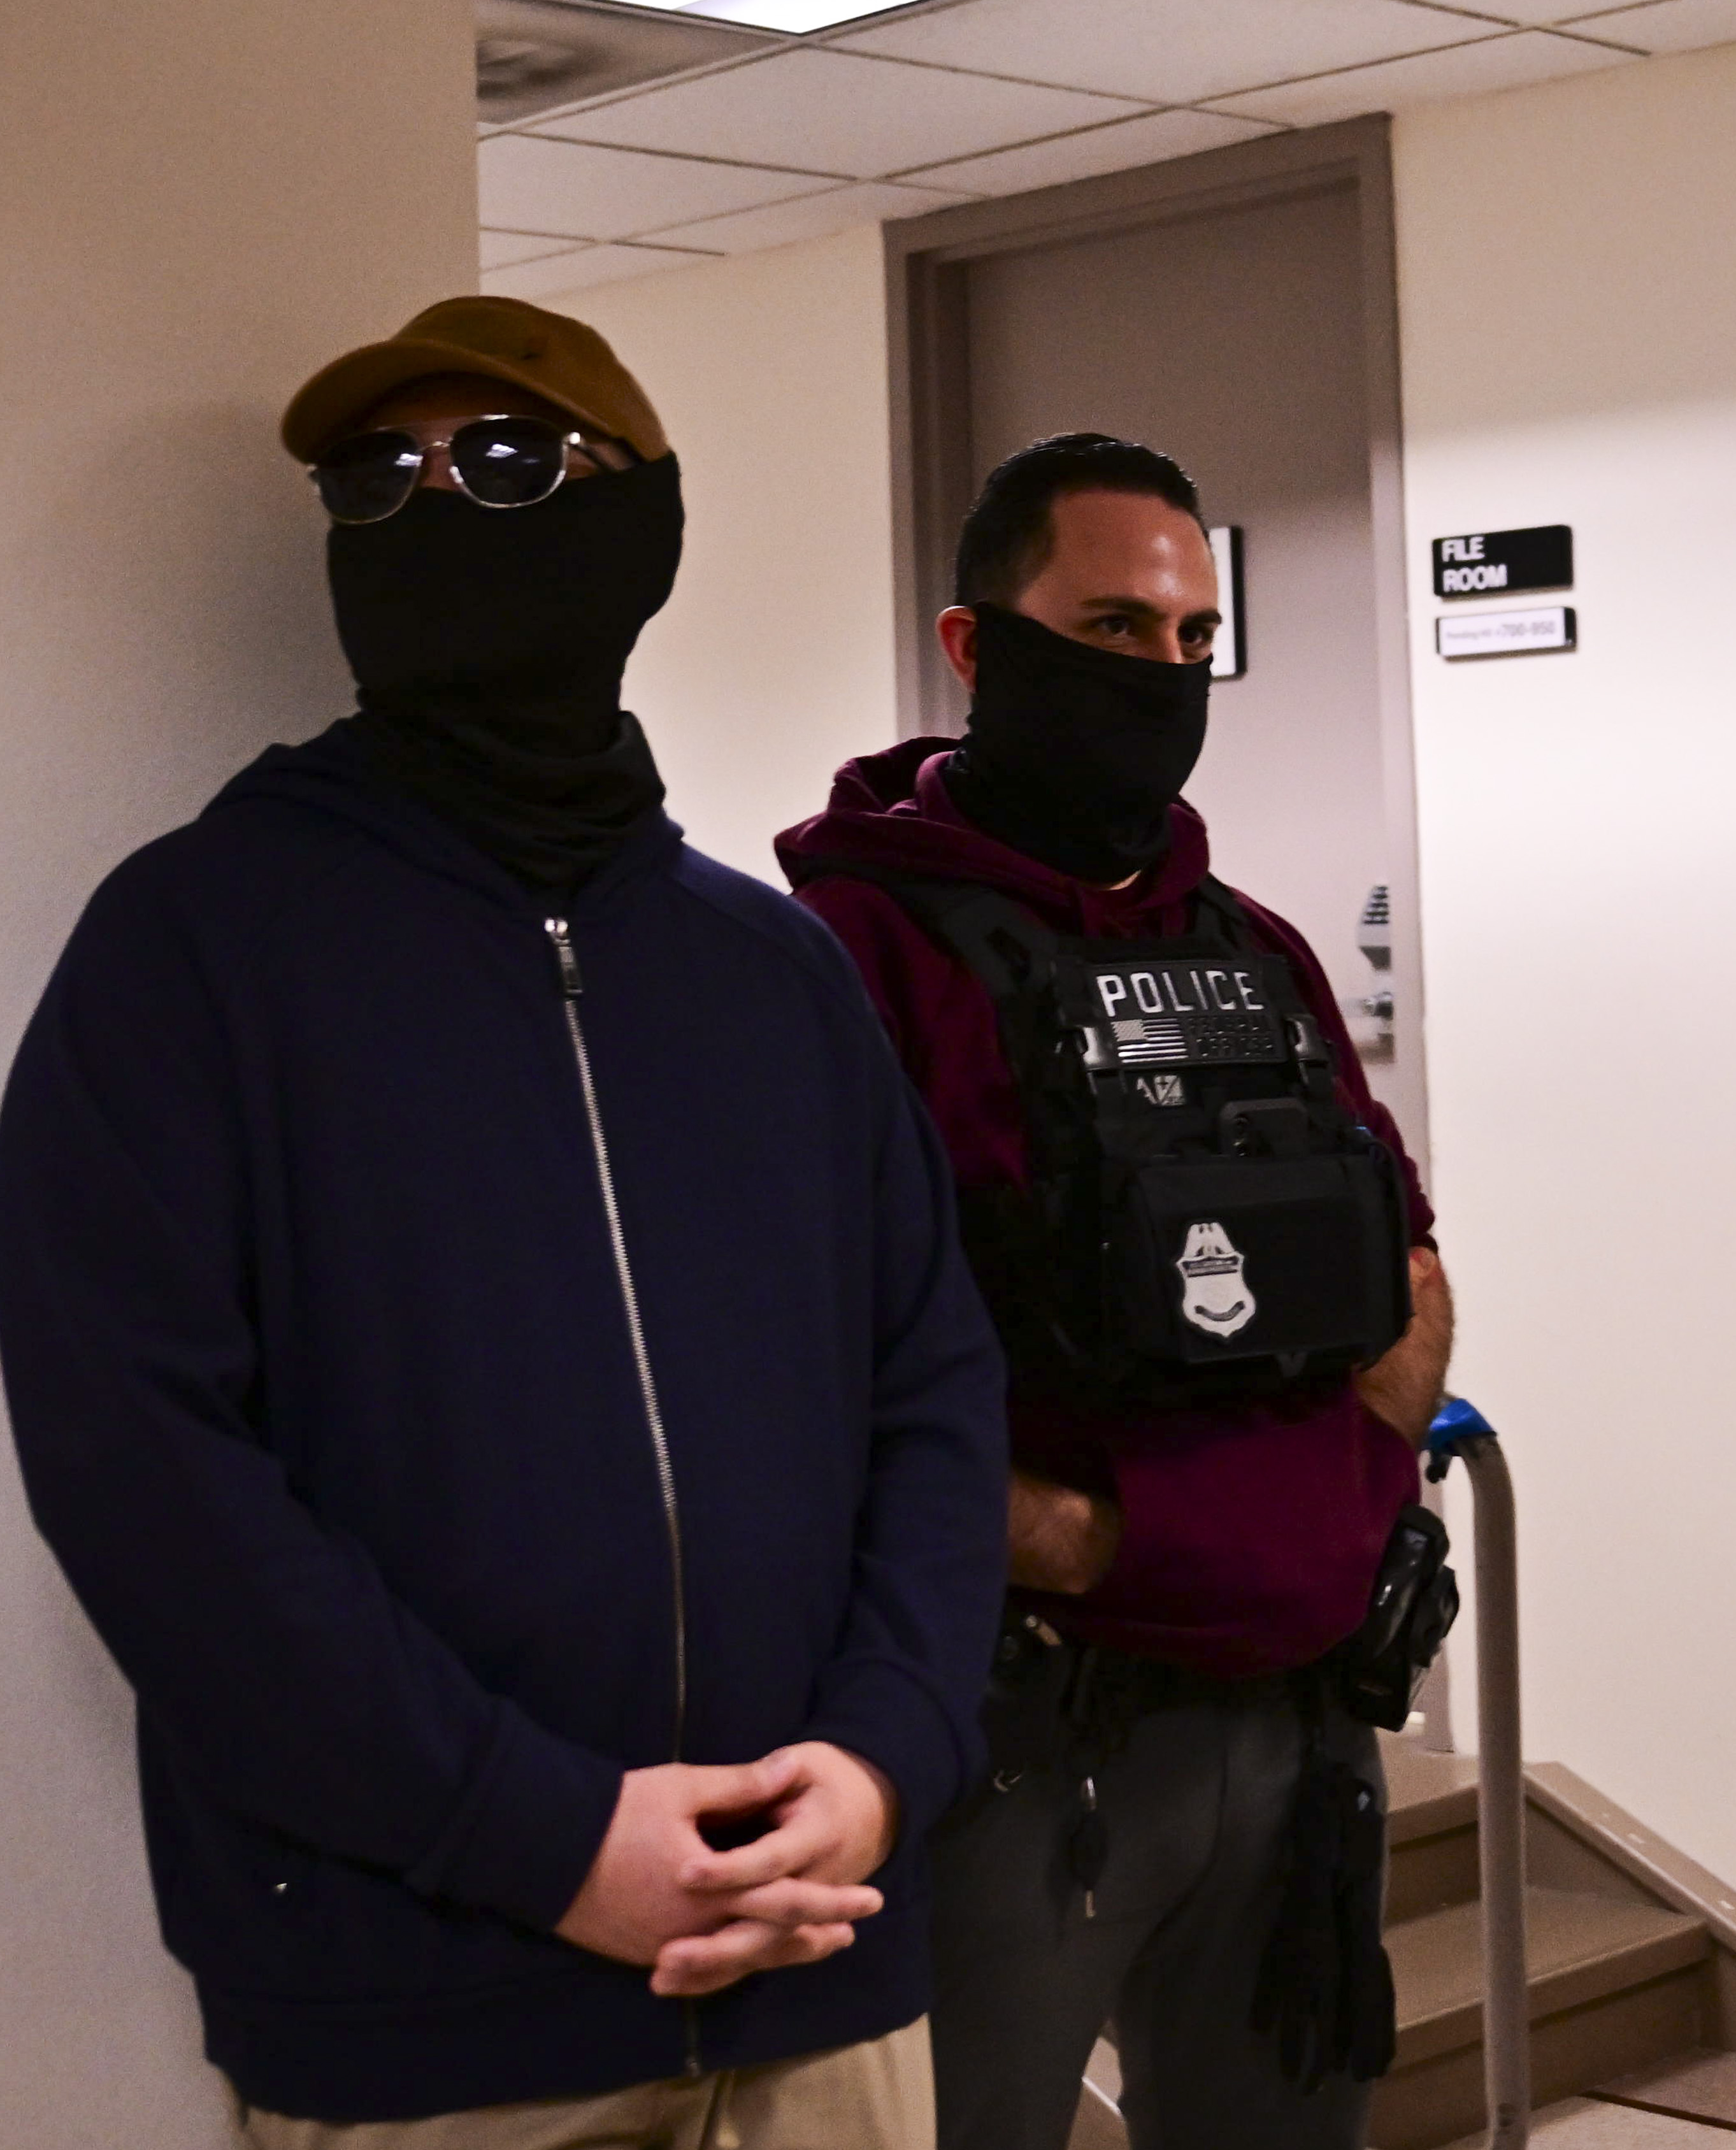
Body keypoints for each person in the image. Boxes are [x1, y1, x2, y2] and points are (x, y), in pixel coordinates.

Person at [0, 297, 1009, 2150]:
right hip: (424, 2009)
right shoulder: (196, 948)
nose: (434, 513)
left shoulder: (772, 976)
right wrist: (539, 1839)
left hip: (825, 1966)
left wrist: (885, 1757)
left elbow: (934, 1392)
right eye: (376, 479)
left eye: (509, 462)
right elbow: (140, 1469)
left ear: (640, 528)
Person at [777, 433, 1455, 2150]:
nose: (1158, 674)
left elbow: (1409, 1273)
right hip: (1016, 1733)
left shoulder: (1256, 949)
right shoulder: (832, 960)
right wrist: (1079, 1541)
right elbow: (788, 1375)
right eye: (1108, 629)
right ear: (972, 645)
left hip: (1298, 1724)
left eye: (1187, 640)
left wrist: (1316, 1506)